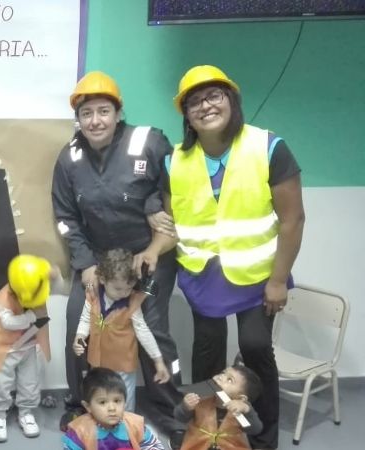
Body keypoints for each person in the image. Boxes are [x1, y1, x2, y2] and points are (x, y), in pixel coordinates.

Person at [148, 64, 304, 450]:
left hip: (257, 276)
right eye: (194, 101)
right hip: (204, 277)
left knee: (254, 348)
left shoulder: (268, 146)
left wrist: (279, 280)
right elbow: (174, 225)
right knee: (208, 356)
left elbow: (293, 219)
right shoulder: (174, 161)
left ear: (231, 100)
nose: (205, 106)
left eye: (213, 95)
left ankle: (263, 437)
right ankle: (209, 432)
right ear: (185, 114)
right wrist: (151, 248)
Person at [51, 71, 184, 439]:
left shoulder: (150, 142)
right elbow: (66, 218)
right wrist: (86, 264)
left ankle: (171, 411)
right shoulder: (69, 157)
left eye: (103, 111)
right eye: (87, 113)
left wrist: (156, 221)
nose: (95, 120)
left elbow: (177, 191)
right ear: (78, 119)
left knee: (153, 330)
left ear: (118, 112)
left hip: (148, 258)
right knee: (79, 321)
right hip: (97, 262)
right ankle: (83, 404)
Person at [72, 248, 171, 412]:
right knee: (100, 397)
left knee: (124, 401)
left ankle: (127, 429)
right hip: (97, 363)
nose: (124, 293)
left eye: (128, 288)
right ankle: (102, 426)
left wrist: (158, 361)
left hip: (123, 365)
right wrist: (80, 337)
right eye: (118, 289)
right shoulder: (93, 294)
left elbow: (143, 332)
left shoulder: (132, 303)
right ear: (103, 279)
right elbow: (85, 319)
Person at [0, 254, 51, 443]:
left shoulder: (37, 283)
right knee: (0, 381)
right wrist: (32, 317)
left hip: (28, 345)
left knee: (29, 381)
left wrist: (52, 273)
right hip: (4, 348)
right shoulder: (3, 298)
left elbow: (51, 275)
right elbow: (8, 323)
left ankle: (26, 411)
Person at [63, 367, 165, 450]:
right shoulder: (79, 431)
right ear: (88, 406)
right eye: (102, 402)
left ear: (125, 401)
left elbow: (154, 446)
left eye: (117, 401)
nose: (112, 408)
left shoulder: (135, 424)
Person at [175, 365, 263, 450]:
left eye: (229, 380)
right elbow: (180, 417)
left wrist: (246, 410)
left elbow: (255, 430)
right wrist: (186, 407)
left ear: (240, 398)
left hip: (230, 446)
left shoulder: (242, 409)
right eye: (223, 373)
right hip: (198, 444)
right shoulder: (201, 397)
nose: (221, 377)